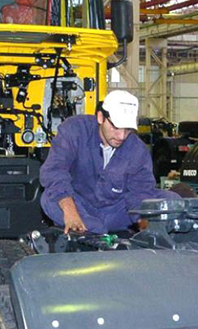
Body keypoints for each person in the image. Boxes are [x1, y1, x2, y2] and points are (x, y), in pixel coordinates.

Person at [40, 90, 177, 234]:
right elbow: (55, 171)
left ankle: (94, 231)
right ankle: (95, 231)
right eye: (116, 127)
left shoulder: (137, 149)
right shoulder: (75, 130)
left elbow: (140, 192)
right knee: (49, 198)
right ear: (101, 117)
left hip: (115, 212)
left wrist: (146, 226)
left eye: (127, 129)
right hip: (79, 206)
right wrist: (70, 210)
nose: (121, 136)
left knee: (171, 200)